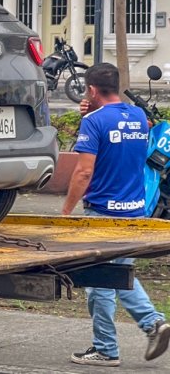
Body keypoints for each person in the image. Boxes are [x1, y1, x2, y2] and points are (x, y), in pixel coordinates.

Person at [61, 62, 170, 366]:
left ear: (91, 89)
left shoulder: (94, 121)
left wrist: (66, 211)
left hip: (102, 213)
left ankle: (106, 349)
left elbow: (84, 172)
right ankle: (153, 323)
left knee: (100, 282)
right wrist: (92, 113)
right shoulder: (138, 117)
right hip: (134, 210)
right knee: (120, 276)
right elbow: (120, 134)